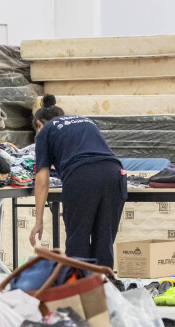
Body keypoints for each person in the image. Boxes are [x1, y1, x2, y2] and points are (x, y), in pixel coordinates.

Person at [29, 95, 126, 269]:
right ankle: (103, 290)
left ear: (39, 123)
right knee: (104, 241)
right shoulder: (86, 121)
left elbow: (42, 180)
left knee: (78, 241)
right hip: (114, 173)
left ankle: (78, 291)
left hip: (82, 176)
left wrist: (39, 220)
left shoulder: (45, 131)